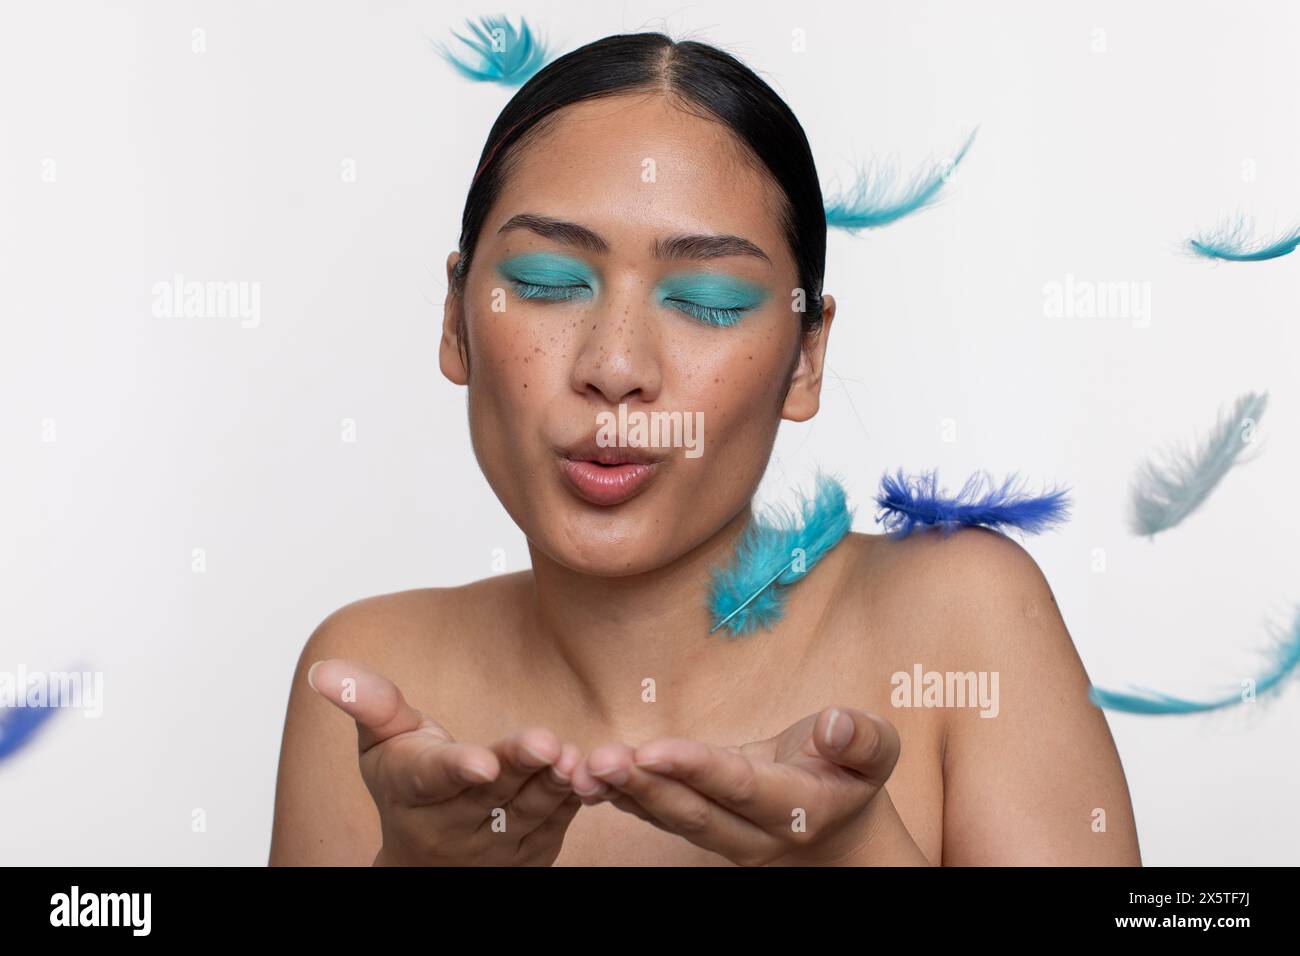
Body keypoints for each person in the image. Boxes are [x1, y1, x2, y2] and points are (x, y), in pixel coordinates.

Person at [268, 32, 1140, 866]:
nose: (615, 367)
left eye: (711, 300)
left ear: (805, 358)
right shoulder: (372, 678)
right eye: (545, 282)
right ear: (457, 320)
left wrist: (850, 854)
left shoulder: (961, 622)